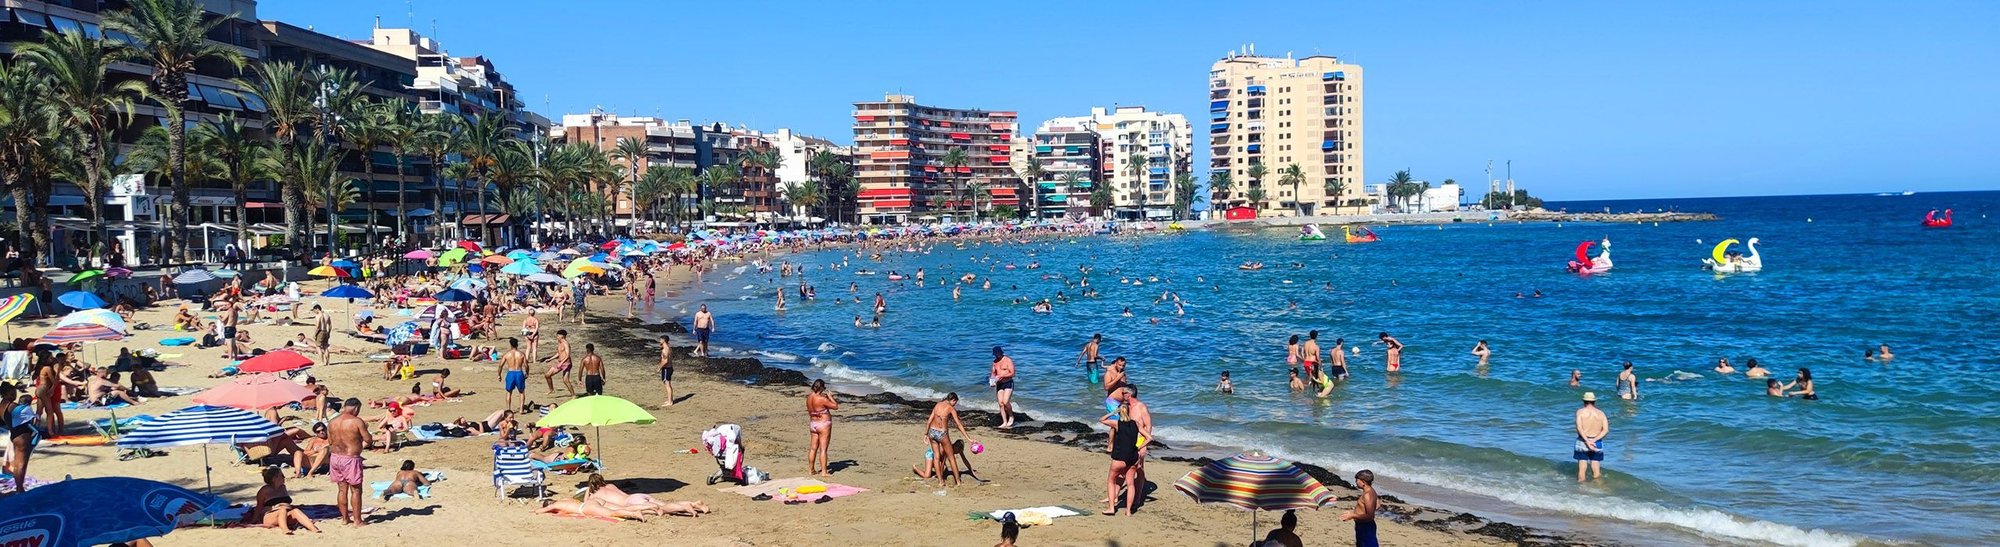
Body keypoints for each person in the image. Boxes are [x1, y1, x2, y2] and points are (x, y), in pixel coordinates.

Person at [914, 392, 975, 487]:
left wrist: (926, 434)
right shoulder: (951, 408)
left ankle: (940, 481)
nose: (955, 404)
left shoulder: (937, 404)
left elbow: (929, 420)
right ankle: (958, 482)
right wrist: (968, 438)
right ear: (953, 400)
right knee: (951, 458)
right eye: (955, 402)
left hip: (932, 432)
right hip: (942, 433)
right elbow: (958, 424)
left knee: (937, 457)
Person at [328, 397, 369, 526]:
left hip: (335, 457)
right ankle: (357, 520)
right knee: (356, 490)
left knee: (341, 490)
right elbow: (368, 439)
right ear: (356, 408)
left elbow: (330, 442)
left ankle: (345, 519)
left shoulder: (332, 422)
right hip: (350, 459)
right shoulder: (356, 421)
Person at [1100, 398, 1142, 516]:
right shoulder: (1136, 423)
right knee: (1130, 484)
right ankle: (1128, 511)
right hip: (1133, 458)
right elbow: (1149, 437)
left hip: (1120, 458)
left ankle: (1111, 508)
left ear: (1120, 411)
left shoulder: (1117, 424)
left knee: (1111, 481)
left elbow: (1102, 419)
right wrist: (1139, 446)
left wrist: (1113, 412)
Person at [254, 467, 321, 534]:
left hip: (285, 514)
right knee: (282, 510)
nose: (284, 477)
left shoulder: (283, 488)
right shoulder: (264, 490)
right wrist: (254, 519)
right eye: (282, 475)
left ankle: (313, 528)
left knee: (296, 511)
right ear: (274, 478)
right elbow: (259, 506)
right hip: (270, 516)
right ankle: (285, 529)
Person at [1338, 470, 1380, 547]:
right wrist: (1354, 512)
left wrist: (1352, 515)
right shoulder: (1371, 491)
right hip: (1362, 526)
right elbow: (1377, 505)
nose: (1355, 482)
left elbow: (1370, 516)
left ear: (1363, 482)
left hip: (1366, 527)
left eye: (1357, 480)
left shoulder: (1367, 495)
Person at [806, 379, 838, 476]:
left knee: (813, 448)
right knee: (823, 449)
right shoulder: (822, 399)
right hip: (823, 424)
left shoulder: (809, 397)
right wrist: (830, 397)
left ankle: (811, 469)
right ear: (822, 388)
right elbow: (835, 406)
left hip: (813, 423)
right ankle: (824, 471)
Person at [1574, 392, 1608, 482]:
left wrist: (1587, 441)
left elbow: (1579, 428)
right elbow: (1605, 430)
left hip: (1582, 441)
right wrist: (1593, 440)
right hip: (1597, 442)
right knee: (1596, 468)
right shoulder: (1601, 413)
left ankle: (1581, 489)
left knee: (1582, 467)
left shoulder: (1580, 412)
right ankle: (1597, 488)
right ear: (1594, 401)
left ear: (1584, 401)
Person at [499, 338, 529, 412]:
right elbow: (526, 365)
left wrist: (499, 375)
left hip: (511, 373)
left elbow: (500, 365)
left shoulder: (507, 354)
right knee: (521, 392)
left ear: (510, 345)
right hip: (519, 372)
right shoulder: (521, 354)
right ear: (517, 344)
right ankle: (521, 409)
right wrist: (527, 373)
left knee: (509, 392)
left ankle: (509, 409)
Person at [990, 346, 1016, 428]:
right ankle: (1004, 422)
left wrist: (1002, 375)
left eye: (997, 354)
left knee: (1005, 401)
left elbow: (1012, 373)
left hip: (1008, 383)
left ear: (1001, 352)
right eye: (995, 354)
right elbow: (993, 373)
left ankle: (1011, 416)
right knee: (1001, 404)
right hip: (999, 384)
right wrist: (992, 381)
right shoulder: (994, 362)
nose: (996, 356)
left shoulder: (1008, 360)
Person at [542, 330, 574, 398]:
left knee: (565, 380)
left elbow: (568, 355)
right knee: (547, 375)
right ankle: (551, 389)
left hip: (566, 363)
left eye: (558, 335)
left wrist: (562, 363)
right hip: (559, 362)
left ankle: (573, 395)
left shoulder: (566, 343)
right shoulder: (559, 343)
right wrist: (550, 359)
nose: (557, 337)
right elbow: (558, 353)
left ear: (562, 336)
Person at [656, 335, 676, 408]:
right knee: (668, 384)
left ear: (663, 340)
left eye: (660, 340)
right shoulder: (668, 348)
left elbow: (665, 361)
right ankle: (669, 400)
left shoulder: (665, 349)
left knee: (667, 385)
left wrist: (659, 367)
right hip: (669, 368)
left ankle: (670, 401)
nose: (659, 341)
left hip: (667, 369)